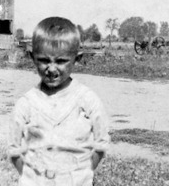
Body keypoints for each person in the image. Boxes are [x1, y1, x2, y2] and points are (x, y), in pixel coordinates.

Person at [9, 17, 110, 186]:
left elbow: (101, 143)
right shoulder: (26, 103)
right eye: (44, 60)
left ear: (77, 59)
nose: (52, 68)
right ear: (33, 57)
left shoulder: (87, 99)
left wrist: (81, 175)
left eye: (61, 61)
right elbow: (14, 151)